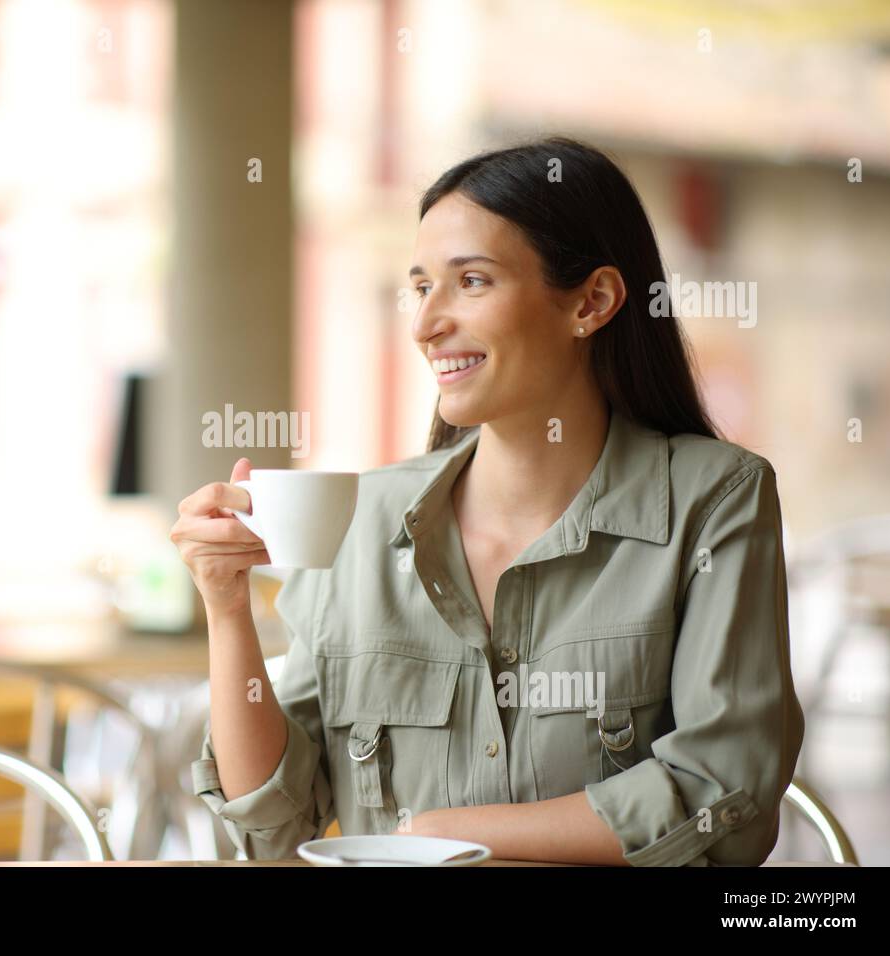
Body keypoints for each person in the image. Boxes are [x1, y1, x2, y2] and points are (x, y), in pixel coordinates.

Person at [170, 136, 804, 866]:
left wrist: (447, 836)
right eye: (420, 287)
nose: (425, 324)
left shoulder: (715, 500)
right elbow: (274, 825)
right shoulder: (363, 516)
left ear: (591, 302)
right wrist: (226, 606)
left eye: (471, 281)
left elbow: (726, 795)